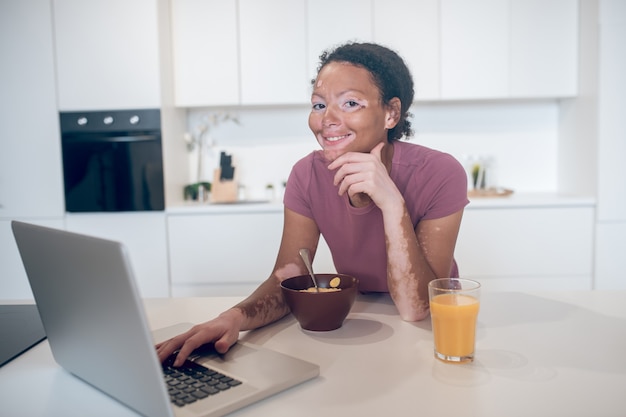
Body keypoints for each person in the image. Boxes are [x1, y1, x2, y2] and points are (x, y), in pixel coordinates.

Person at [157, 42, 469, 366]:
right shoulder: (307, 175)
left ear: (391, 113)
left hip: (433, 332)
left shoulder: (440, 173)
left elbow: (416, 307)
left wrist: (392, 204)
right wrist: (232, 318)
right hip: (356, 322)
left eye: (350, 103)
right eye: (319, 105)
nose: (328, 120)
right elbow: (285, 281)